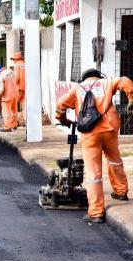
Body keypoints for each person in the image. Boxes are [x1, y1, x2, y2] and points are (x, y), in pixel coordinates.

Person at [56, 68, 133, 224]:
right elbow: (125, 80)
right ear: (97, 77)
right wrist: (131, 99)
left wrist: (62, 119)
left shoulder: (77, 88)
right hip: (110, 128)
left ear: (84, 78)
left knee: (94, 173)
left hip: (89, 132)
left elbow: (60, 104)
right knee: (114, 160)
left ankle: (97, 212)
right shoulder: (106, 82)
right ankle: (121, 191)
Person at [0, 65, 19, 132]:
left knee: (6, 112)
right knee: (14, 110)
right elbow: (16, 80)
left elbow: (1, 89)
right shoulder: (10, 71)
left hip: (7, 96)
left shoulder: (0, 76)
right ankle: (14, 125)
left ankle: (7, 127)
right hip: (15, 94)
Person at [11, 52, 26, 126]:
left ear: (16, 59)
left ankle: (14, 123)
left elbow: (16, 78)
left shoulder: (17, 65)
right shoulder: (25, 64)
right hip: (25, 88)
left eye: (13, 59)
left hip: (18, 88)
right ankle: (26, 122)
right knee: (24, 106)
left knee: (13, 105)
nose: (13, 61)